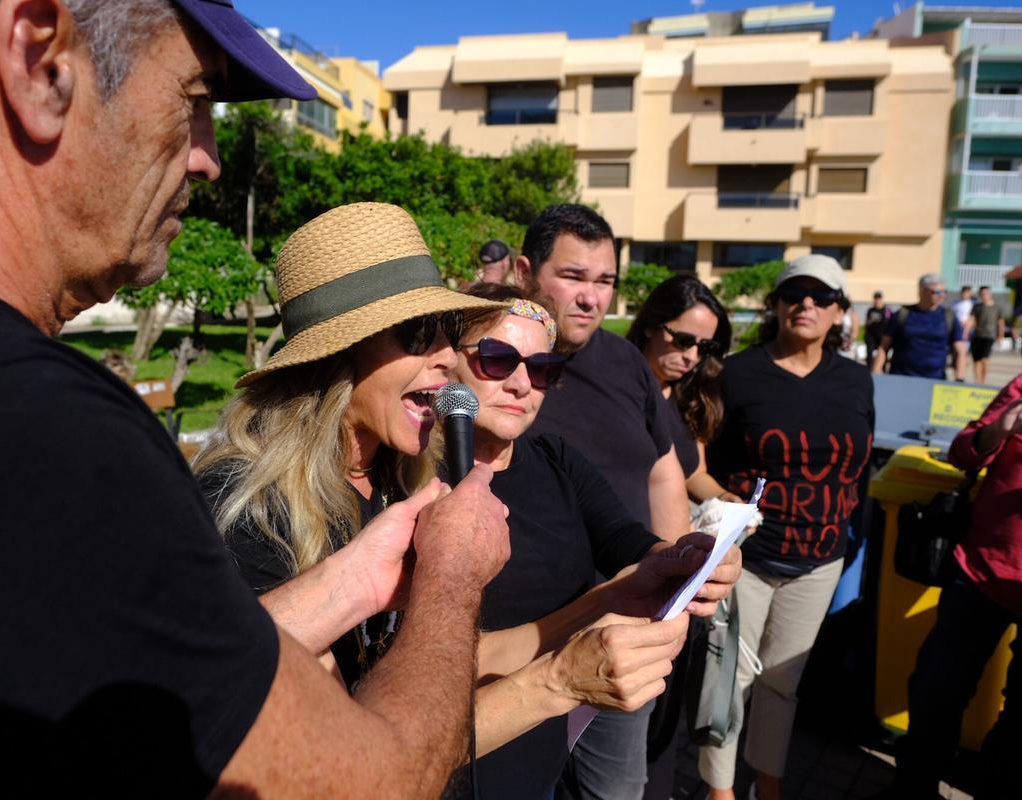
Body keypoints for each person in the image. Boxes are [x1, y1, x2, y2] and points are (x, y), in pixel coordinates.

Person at [0, 3, 513, 797]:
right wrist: (452, 580)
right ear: (40, 60)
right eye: (194, 99)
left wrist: (362, 578)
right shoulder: (38, 436)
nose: (209, 156)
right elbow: (381, 782)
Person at [194, 206, 731, 799]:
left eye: (450, 335)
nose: (449, 360)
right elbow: (360, 764)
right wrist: (558, 683)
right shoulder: (249, 512)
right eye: (422, 335)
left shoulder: (397, 480)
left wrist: (619, 593)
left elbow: (440, 668)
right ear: (337, 354)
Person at [446, 282, 741, 799]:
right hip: (461, 751)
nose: (522, 384)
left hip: (548, 738)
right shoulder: (414, 486)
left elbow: (626, 539)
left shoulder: (555, 458)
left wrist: (691, 557)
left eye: (542, 370)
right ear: (446, 362)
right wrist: (605, 601)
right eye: (497, 359)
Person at [514, 204, 692, 800]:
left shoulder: (624, 363)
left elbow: (665, 473)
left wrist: (678, 586)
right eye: (572, 276)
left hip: (623, 633)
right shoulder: (487, 359)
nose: (591, 298)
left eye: (605, 281)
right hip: (519, 641)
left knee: (614, 790)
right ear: (525, 272)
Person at [699, 255, 875, 800]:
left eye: (821, 297)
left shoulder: (855, 379)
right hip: (748, 558)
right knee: (727, 678)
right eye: (794, 294)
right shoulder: (739, 374)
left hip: (819, 562)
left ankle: (768, 781)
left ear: (840, 312)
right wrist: (730, 507)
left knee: (783, 683)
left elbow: (861, 469)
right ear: (775, 305)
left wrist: (851, 542)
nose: (806, 305)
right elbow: (699, 463)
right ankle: (719, 788)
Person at [886, 373, 1022, 800]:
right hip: (979, 571)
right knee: (935, 692)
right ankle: (912, 791)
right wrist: (998, 432)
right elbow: (963, 452)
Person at [626, 275, 737, 504]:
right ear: (650, 327)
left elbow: (694, 473)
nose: (692, 357)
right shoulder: (616, 388)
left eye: (705, 347)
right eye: (683, 340)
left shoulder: (691, 393)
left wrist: (725, 499)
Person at [872, 273, 959, 379]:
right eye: (936, 292)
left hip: (935, 380)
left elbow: (960, 351)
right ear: (922, 292)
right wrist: (876, 374)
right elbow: (883, 347)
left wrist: (960, 378)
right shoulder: (902, 314)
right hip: (901, 378)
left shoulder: (949, 317)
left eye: (944, 292)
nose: (942, 295)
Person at [970, 285, 1006, 385]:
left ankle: (983, 381)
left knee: (985, 360)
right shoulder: (976, 307)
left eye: (986, 293)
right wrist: (966, 328)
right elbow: (972, 320)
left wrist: (1001, 336)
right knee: (976, 360)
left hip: (989, 336)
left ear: (990, 294)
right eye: (982, 294)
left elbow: (1001, 323)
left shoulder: (997, 307)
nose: (984, 295)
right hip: (977, 336)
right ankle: (977, 381)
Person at [864, 291, 892, 369]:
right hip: (871, 336)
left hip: (882, 336)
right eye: (875, 299)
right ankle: (869, 369)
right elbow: (867, 323)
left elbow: (889, 322)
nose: (877, 301)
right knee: (869, 354)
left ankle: (882, 368)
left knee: (883, 354)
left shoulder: (886, 310)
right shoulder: (871, 310)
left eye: (879, 299)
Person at [952, 285, 975, 381]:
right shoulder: (955, 304)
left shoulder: (972, 304)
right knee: (955, 354)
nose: (965, 294)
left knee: (963, 353)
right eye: (964, 292)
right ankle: (956, 373)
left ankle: (961, 376)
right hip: (955, 330)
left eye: (967, 293)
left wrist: (966, 329)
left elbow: (972, 318)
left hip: (966, 332)